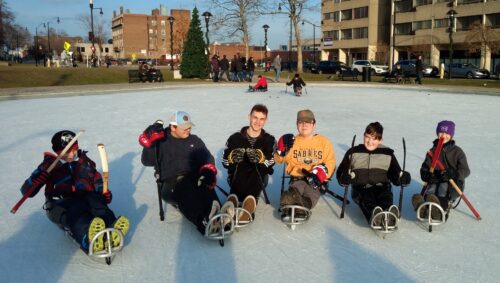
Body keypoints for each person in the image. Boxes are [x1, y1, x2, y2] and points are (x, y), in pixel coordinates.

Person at [19, 130, 129, 254]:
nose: (71, 155)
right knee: (78, 212)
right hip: (60, 203)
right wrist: (38, 178)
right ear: (58, 152)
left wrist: (102, 193)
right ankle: (88, 239)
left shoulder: (84, 162)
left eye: (74, 149)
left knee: (96, 202)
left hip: (84, 196)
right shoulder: (49, 166)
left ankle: (112, 228)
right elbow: (25, 191)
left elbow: (96, 179)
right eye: (66, 152)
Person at [139, 111, 234, 237]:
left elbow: (206, 157)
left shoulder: (194, 140)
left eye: (189, 127)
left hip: (192, 177)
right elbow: (147, 161)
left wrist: (208, 171)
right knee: (185, 188)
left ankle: (221, 216)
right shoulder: (161, 141)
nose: (188, 130)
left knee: (204, 183)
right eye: (184, 128)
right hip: (170, 183)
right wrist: (149, 145)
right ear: (173, 127)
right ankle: (204, 221)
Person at [336, 122, 411, 227]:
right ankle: (375, 215)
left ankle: (389, 212)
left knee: (385, 196)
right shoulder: (353, 152)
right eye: (367, 137)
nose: (370, 141)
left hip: (382, 186)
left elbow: (395, 175)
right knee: (368, 199)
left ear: (380, 140)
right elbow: (340, 172)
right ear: (363, 136)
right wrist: (344, 178)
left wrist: (402, 178)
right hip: (360, 188)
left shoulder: (387, 153)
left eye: (374, 138)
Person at [274, 110, 336, 217]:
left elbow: (331, 162)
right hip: (297, 178)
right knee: (295, 190)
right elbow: (279, 160)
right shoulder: (292, 142)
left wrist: (322, 172)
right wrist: (281, 150)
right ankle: (292, 200)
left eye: (307, 122)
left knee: (311, 193)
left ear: (314, 124)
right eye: (300, 122)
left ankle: (301, 206)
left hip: (315, 181)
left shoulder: (324, 142)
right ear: (297, 124)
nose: (304, 125)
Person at [222, 104, 276, 222]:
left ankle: (249, 203)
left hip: (258, 178)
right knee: (241, 169)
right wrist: (231, 158)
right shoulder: (235, 138)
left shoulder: (269, 140)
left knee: (255, 173)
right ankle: (232, 200)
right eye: (255, 117)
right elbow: (225, 163)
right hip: (237, 177)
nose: (258, 122)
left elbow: (271, 164)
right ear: (249, 117)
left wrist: (262, 159)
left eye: (262, 119)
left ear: (266, 120)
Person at [412, 120, 470, 220]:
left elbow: (465, 170)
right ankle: (424, 207)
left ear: (451, 135)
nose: (444, 135)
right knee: (432, 188)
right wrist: (427, 174)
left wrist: (453, 173)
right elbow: (425, 166)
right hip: (436, 178)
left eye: (447, 133)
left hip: (452, 181)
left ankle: (439, 209)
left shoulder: (457, 152)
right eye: (441, 132)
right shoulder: (432, 151)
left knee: (443, 189)